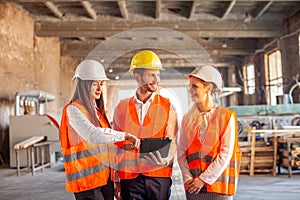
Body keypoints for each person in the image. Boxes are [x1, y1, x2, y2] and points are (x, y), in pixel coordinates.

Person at [59, 60, 140, 200]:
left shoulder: (97, 113)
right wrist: (125, 135)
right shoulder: (73, 110)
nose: (99, 89)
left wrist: (114, 179)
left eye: (101, 84)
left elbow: (105, 148)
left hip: (104, 180)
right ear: (83, 85)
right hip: (86, 183)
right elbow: (93, 135)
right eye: (95, 84)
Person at [113, 50, 178, 200]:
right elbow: (115, 147)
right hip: (129, 177)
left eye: (158, 75)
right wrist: (115, 179)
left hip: (158, 176)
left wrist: (165, 159)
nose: (157, 79)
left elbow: (172, 141)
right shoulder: (121, 108)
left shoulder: (168, 107)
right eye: (152, 75)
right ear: (137, 77)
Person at [177, 65, 241, 200]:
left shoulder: (226, 116)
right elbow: (181, 152)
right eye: (190, 86)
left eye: (195, 86)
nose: (190, 91)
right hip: (193, 188)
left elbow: (226, 153)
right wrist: (188, 179)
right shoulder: (187, 119)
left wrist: (203, 179)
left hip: (218, 187)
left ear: (208, 88)